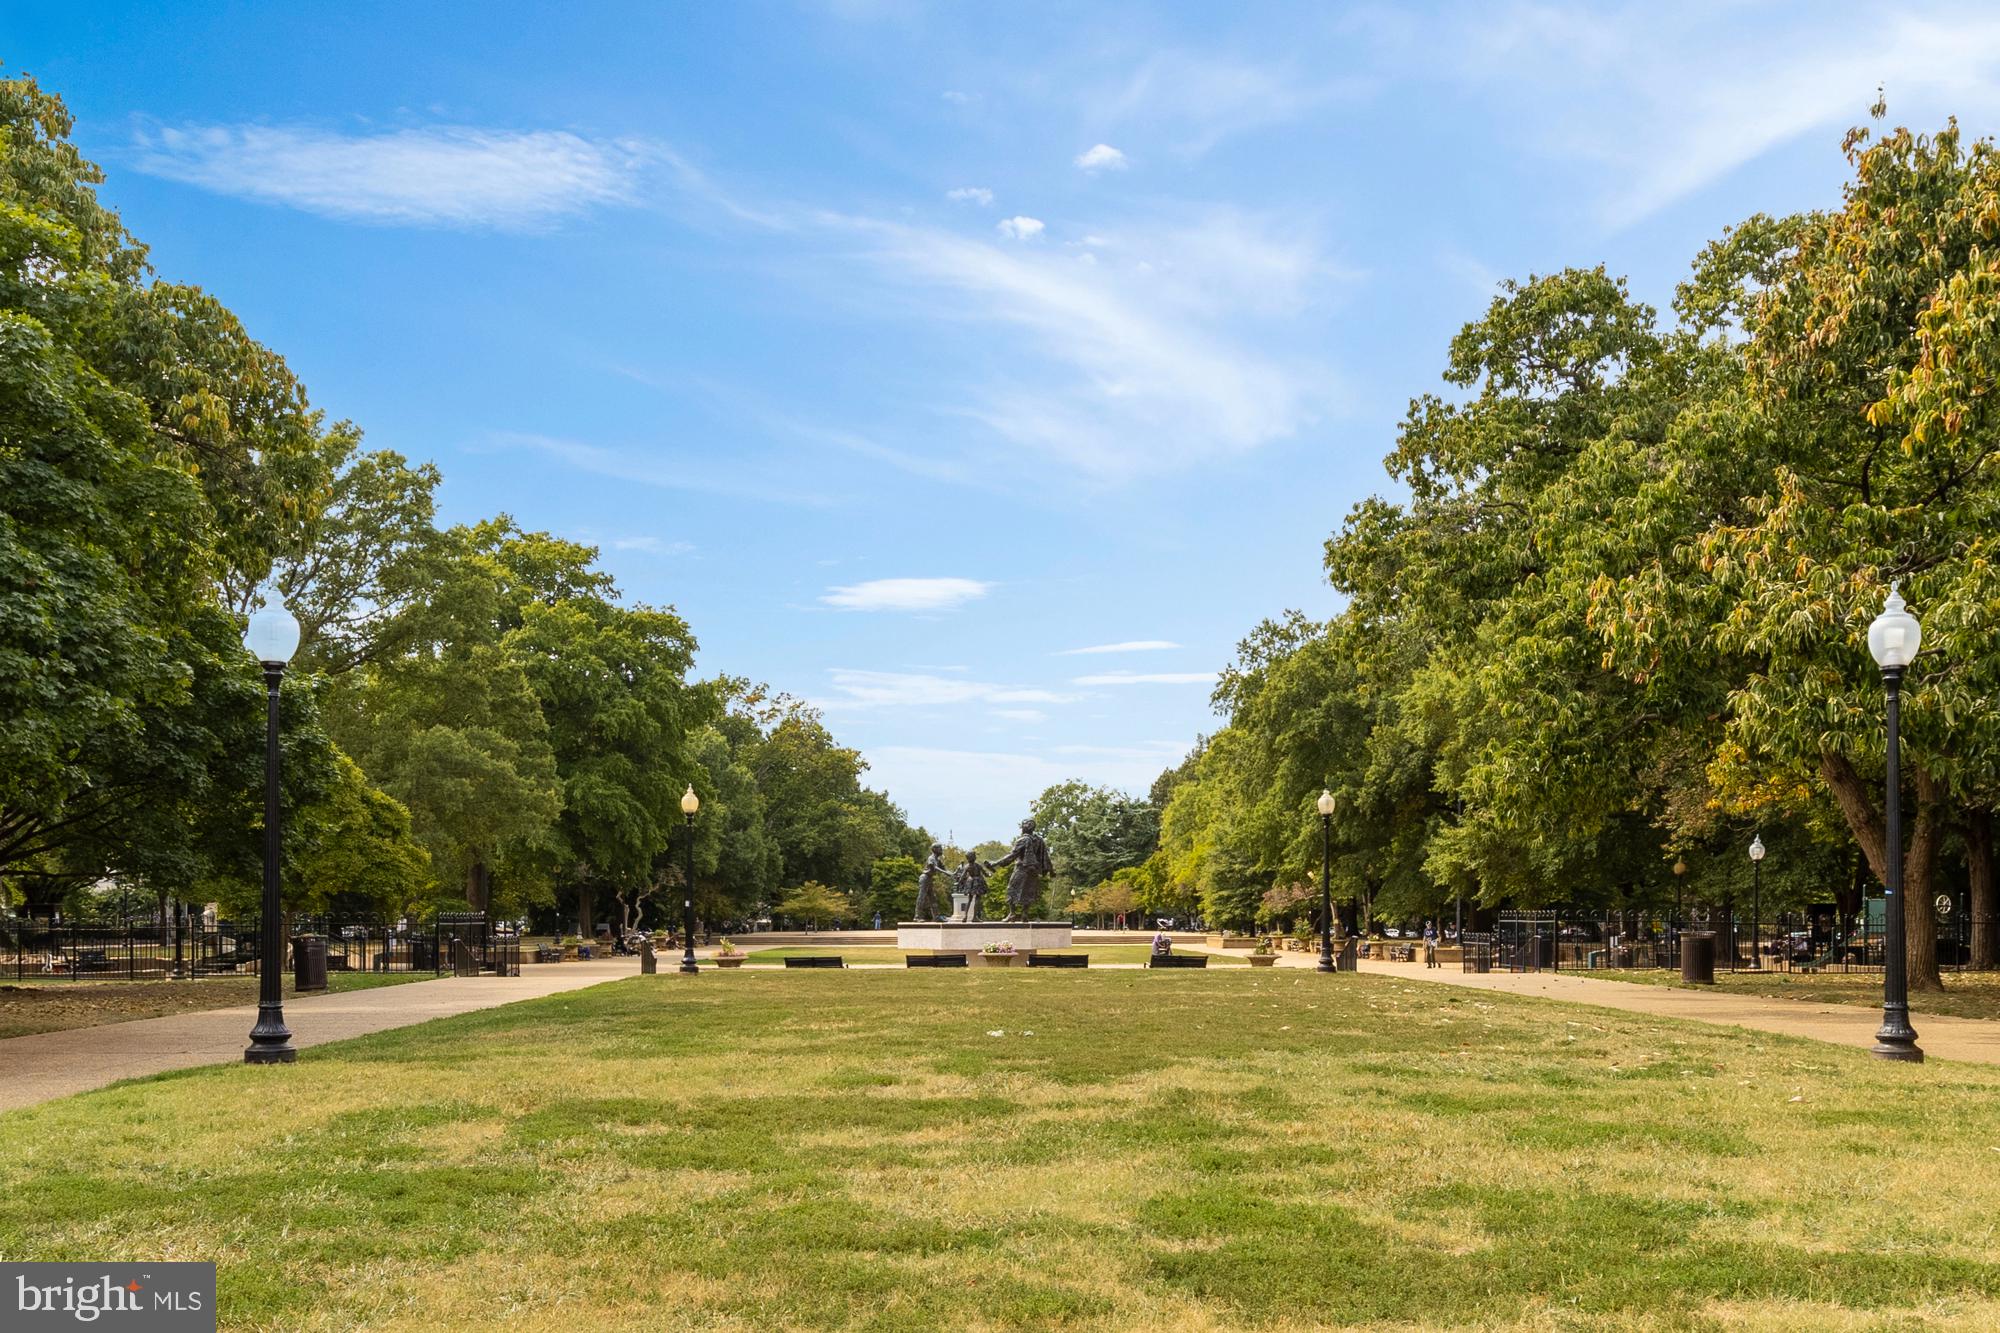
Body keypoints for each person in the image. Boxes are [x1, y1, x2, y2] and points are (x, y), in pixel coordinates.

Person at [990, 818, 1054, 922]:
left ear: (1024, 828)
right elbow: (1045, 856)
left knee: (1011, 889)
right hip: (1033, 870)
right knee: (1028, 892)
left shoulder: (1023, 840)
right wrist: (1050, 870)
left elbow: (1012, 855)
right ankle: (1025, 914)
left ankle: (1012, 913)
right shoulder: (1038, 840)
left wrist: (996, 863)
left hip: (1022, 869)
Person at [914, 844, 949, 920]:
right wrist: (946, 873)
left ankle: (936, 916)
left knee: (933, 898)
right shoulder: (931, 858)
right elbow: (935, 867)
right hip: (925, 878)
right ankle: (917, 916)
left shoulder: (938, 860)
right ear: (935, 849)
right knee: (921, 897)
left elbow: (945, 869)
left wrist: (953, 874)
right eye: (940, 848)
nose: (941, 850)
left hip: (929, 879)